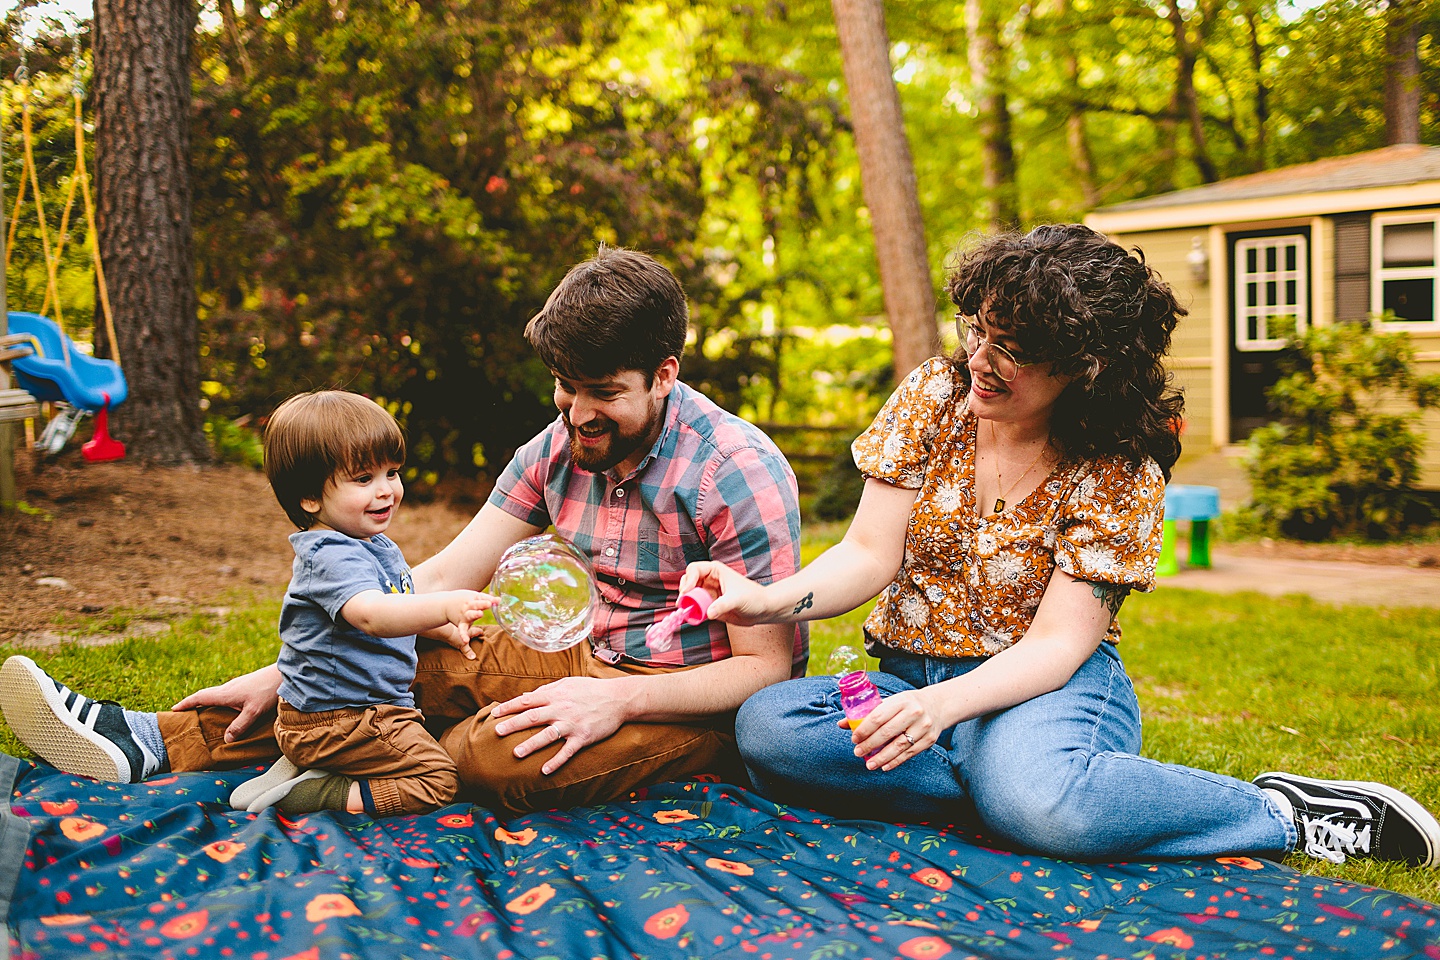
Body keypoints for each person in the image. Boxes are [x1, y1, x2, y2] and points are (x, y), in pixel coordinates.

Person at [681, 224, 1440, 867]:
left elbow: (1056, 645)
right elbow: (868, 554)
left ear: (1085, 363)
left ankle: (1284, 812)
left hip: (1048, 688)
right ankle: (1002, 780)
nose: (979, 358)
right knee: (772, 729)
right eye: (977, 329)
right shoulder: (932, 398)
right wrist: (764, 599)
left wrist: (943, 710)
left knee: (1049, 808)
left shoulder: (1118, 466)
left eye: (1009, 346)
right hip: (912, 677)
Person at [0, 247, 806, 818]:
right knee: (384, 652)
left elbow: (765, 671)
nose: (576, 413)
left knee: (490, 757)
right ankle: (147, 742)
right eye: (564, 387)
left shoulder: (734, 470)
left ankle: (407, 755)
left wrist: (617, 701)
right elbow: (436, 575)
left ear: (665, 374)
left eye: (602, 393)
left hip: (683, 703)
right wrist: (284, 669)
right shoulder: (558, 444)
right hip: (568, 655)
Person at [229, 389, 496, 816]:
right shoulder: (332, 554)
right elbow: (371, 614)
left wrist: (440, 628)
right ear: (310, 498)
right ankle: (312, 795)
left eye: (392, 473)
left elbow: (394, 602)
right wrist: (442, 606)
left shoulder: (368, 543)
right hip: (339, 721)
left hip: (342, 715)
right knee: (438, 780)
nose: (386, 490)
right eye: (363, 479)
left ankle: (310, 766)